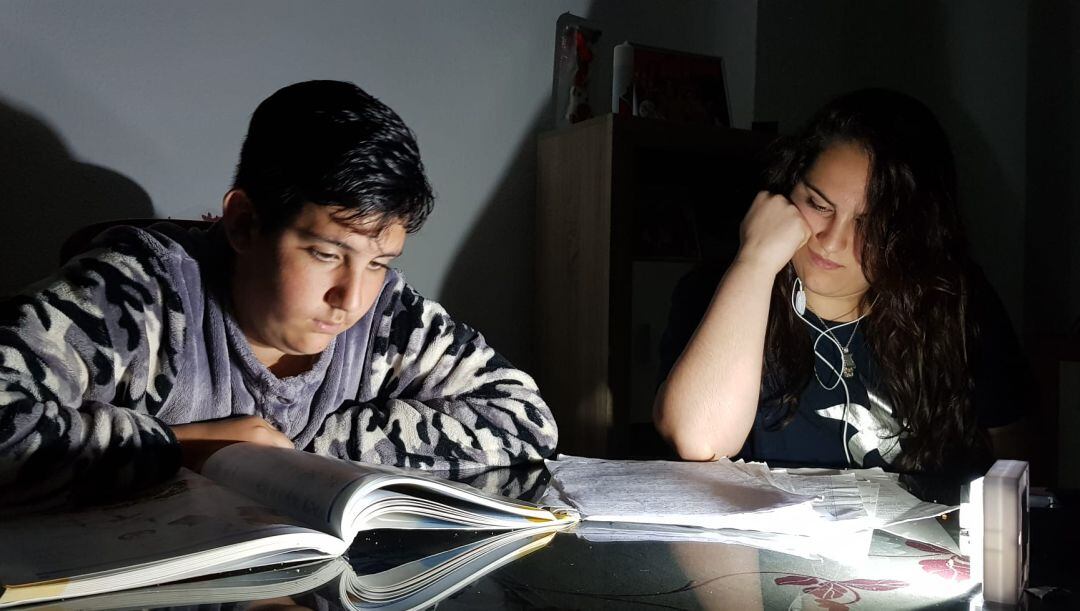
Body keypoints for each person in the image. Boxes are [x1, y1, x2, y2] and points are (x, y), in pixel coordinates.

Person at [0, 80, 557, 507]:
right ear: (243, 224)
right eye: (325, 254)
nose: (351, 298)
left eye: (381, 262)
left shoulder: (388, 314)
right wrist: (182, 446)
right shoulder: (138, 293)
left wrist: (314, 450)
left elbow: (525, 418)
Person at [653, 88, 1027, 477]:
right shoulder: (714, 289)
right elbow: (698, 440)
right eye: (818, 204)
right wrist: (755, 263)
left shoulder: (957, 301)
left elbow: (1011, 458)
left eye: (871, 226)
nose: (832, 242)